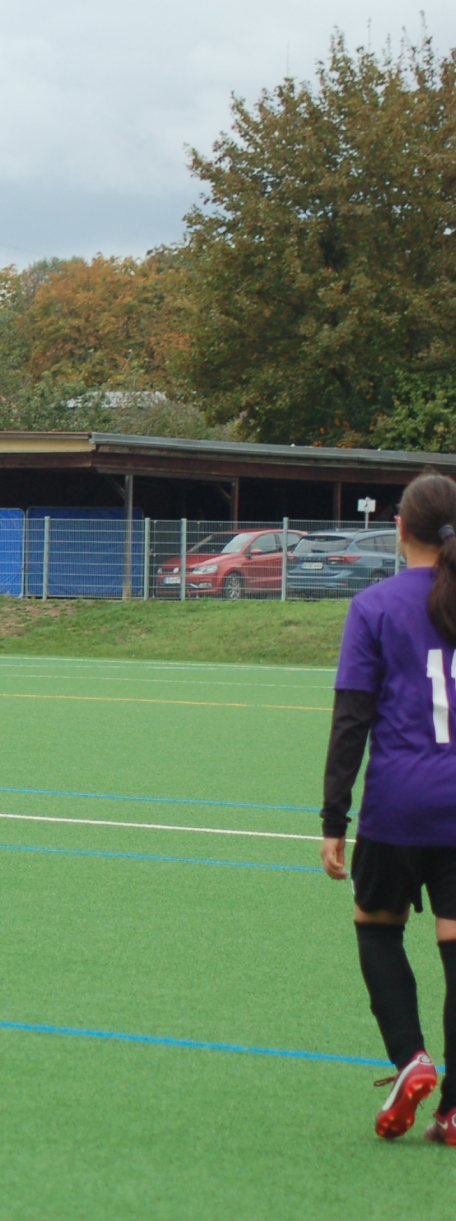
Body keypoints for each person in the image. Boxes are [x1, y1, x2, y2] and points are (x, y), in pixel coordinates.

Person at [324, 471, 456, 1143]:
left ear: (399, 529)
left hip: (398, 806)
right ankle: (455, 1108)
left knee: (377, 930)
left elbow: (352, 721)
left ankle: (411, 1059)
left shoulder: (373, 606)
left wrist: (333, 820)